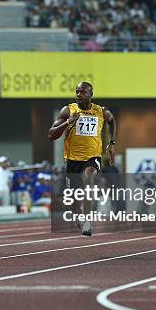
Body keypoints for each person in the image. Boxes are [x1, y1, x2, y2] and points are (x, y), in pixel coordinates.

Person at [48, 81, 116, 236]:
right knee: (74, 199)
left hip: (92, 157)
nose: (79, 95)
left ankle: (87, 220)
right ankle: (78, 215)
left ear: (91, 95)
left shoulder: (101, 111)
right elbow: (51, 135)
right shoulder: (68, 110)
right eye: (77, 91)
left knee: (88, 178)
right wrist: (68, 122)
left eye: (83, 92)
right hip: (72, 159)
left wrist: (111, 143)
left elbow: (111, 121)